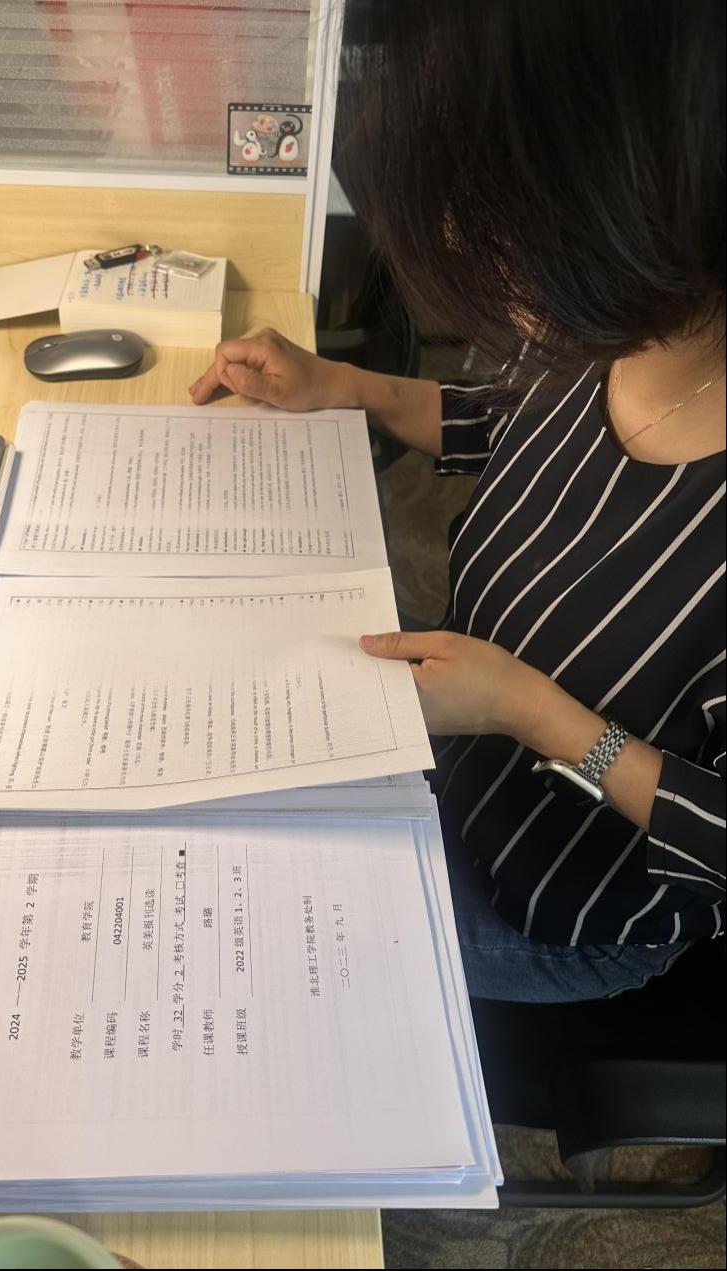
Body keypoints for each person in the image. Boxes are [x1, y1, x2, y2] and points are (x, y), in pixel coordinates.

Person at [189, 0, 725, 1004]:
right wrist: (345, 386)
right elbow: (514, 419)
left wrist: (531, 714)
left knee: (233, 916)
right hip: (447, 737)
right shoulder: (605, 327)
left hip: (546, 907)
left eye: (510, 225)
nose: (474, 250)